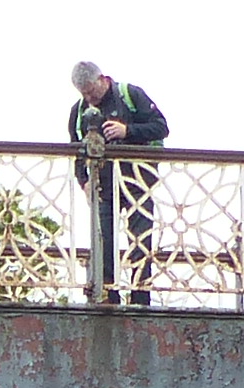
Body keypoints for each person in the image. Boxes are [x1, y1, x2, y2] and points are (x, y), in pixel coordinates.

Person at [67, 60, 170, 304]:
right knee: (104, 242)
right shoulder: (79, 111)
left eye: (92, 91)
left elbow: (161, 127)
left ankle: (140, 296)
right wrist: (84, 181)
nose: (90, 98)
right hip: (104, 186)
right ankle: (107, 296)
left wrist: (127, 131)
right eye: (84, 94)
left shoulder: (130, 95)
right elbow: (76, 152)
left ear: (103, 79)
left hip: (138, 181)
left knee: (140, 240)